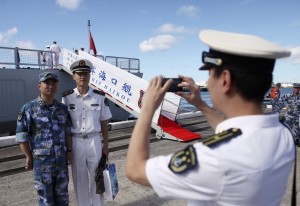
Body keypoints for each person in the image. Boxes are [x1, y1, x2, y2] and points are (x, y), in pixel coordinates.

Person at [126, 30, 295, 205]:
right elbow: (234, 132)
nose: (208, 83)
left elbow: (135, 170)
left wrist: (147, 108)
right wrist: (200, 104)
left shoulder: (213, 158)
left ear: (225, 80)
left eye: (210, 75)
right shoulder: (283, 134)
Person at [16, 72, 72, 205]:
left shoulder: (63, 109)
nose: (51, 86)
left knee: (63, 199)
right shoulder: (29, 108)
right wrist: (28, 156)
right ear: (39, 85)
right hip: (42, 165)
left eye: (54, 83)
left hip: (61, 164)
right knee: (46, 200)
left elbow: (68, 132)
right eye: (47, 83)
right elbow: (22, 136)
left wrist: (69, 151)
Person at [62, 59, 112, 206]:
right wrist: (69, 149)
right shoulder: (67, 97)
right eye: (79, 73)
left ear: (90, 75)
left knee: (98, 177)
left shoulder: (99, 96)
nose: (82, 76)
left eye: (85, 73)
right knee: (80, 179)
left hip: (94, 141)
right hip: (76, 141)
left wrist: (106, 144)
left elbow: (104, 122)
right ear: (73, 76)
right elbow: (66, 125)